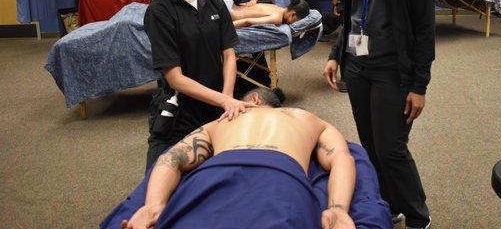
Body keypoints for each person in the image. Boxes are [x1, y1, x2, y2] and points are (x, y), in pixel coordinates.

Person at [323, 0, 435, 229]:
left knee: (392, 148)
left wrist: (419, 85)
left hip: (392, 70)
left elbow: (424, 30)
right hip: (358, 69)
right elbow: (354, 18)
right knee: (370, 145)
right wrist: (335, 54)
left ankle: (418, 215)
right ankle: (390, 205)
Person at [119, 88, 357, 229]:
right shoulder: (307, 118)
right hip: (280, 182)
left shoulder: (221, 122)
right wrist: (337, 209)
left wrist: (153, 205)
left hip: (211, 178)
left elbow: (171, 158)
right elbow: (341, 159)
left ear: (253, 99)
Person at [139, 0, 256, 170]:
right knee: (157, 184)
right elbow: (175, 79)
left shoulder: (213, 1)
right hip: (179, 116)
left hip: (217, 108)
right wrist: (225, 100)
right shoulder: (160, 11)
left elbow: (229, 55)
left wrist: (226, 98)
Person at [229, 0, 309, 28]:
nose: (293, 23)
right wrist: (225, 28)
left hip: (229, 4)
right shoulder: (277, 19)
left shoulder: (276, 7)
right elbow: (248, 21)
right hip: (227, 13)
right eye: (296, 20)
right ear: (293, 14)